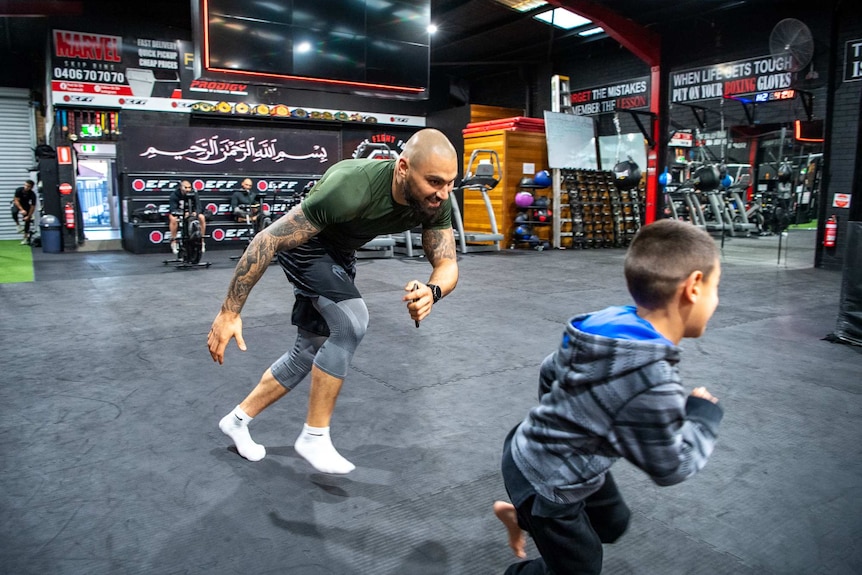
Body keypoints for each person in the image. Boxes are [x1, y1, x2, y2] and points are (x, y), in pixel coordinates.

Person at [208, 128, 459, 474]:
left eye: (450, 183)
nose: (443, 194)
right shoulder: (349, 186)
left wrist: (432, 291)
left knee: (309, 351)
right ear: (402, 168)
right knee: (352, 321)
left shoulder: (434, 202)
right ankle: (314, 436)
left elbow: (446, 264)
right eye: (434, 182)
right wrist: (229, 312)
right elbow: (266, 241)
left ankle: (237, 420)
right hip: (306, 246)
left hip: (340, 256)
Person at [493, 218, 724, 575]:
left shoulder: (607, 327)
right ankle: (523, 535)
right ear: (694, 287)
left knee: (614, 524)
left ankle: (523, 516)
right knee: (582, 569)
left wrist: (567, 419)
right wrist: (703, 414)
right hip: (546, 483)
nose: (717, 300)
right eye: (716, 288)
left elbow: (549, 369)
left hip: (533, 446)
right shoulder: (650, 378)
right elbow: (672, 465)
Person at [168, 180, 206, 255]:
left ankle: (202, 241)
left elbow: (199, 206)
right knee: (173, 219)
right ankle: (174, 242)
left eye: (189, 187)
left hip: (192, 213)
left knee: (202, 217)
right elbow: (173, 209)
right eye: (186, 187)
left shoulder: (194, 193)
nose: (188, 189)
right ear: (181, 187)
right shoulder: (174, 195)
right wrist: (182, 213)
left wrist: (196, 213)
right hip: (179, 213)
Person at [13, 179, 37, 245]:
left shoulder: (32, 195)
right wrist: (21, 210)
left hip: (26, 204)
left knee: (27, 220)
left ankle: (25, 238)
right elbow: (16, 201)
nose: (26, 187)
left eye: (28, 186)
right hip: (17, 204)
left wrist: (29, 216)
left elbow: (33, 206)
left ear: (31, 187)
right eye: (25, 185)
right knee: (14, 212)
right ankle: (18, 225)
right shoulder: (19, 190)